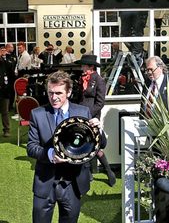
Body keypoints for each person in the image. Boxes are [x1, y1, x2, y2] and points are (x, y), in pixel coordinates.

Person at [27, 71, 105, 223]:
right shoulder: (37, 114)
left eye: (58, 93)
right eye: (50, 93)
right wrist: (50, 155)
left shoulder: (83, 112)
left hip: (72, 182)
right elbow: (31, 147)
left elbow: (98, 145)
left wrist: (99, 131)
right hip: (45, 181)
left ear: (68, 92)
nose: (54, 97)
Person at [75, 54, 115, 186]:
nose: (82, 67)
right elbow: (79, 98)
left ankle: (109, 171)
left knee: (95, 145)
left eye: (83, 65)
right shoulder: (81, 79)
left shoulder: (99, 80)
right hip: (80, 115)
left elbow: (100, 103)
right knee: (82, 144)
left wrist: (88, 114)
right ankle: (88, 174)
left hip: (92, 117)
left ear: (90, 67)